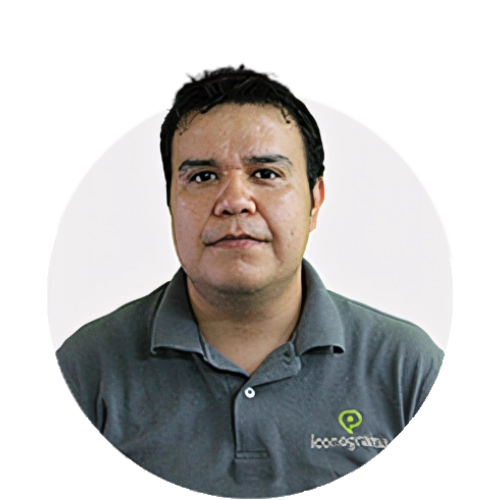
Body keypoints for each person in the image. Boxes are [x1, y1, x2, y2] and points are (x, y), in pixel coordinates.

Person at [56, 64, 445, 499]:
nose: (235, 201)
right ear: (170, 202)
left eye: (265, 173)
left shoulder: (408, 370)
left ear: (315, 202)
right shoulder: (87, 371)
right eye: (203, 176)